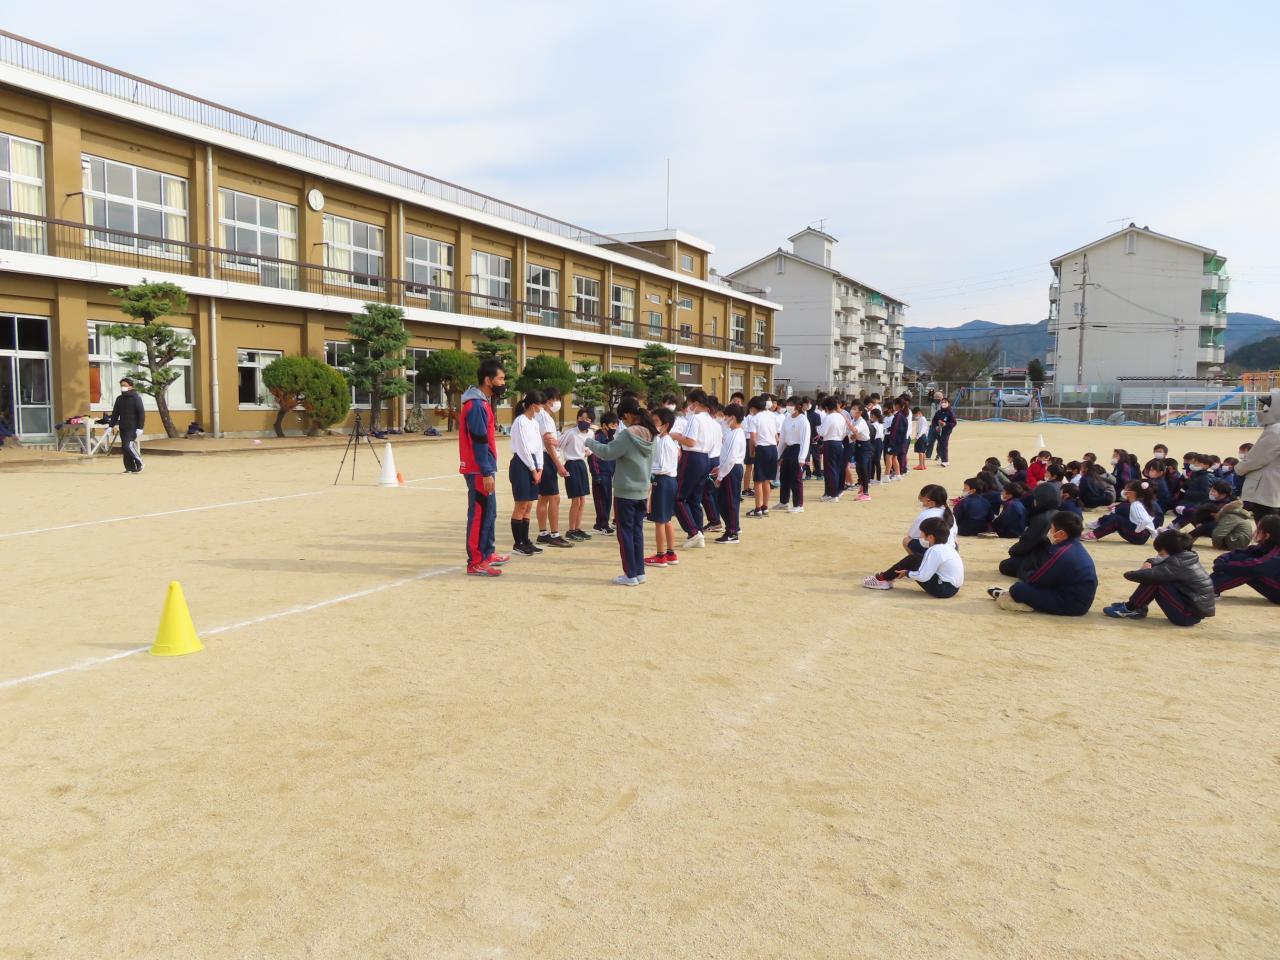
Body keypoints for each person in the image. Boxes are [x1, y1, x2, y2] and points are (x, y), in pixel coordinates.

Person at [585, 396, 655, 586]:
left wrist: (590, 442)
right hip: (642, 490)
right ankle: (639, 572)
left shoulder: (628, 434)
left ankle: (630, 574)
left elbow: (607, 453)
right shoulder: (651, 433)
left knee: (625, 534)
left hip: (626, 491)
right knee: (637, 532)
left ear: (626, 415)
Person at [988, 512, 1098, 616]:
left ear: (1061, 534)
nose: (1050, 531)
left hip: (1071, 604)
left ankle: (1010, 595)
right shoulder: (1074, 547)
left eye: (1052, 528)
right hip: (1078, 599)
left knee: (1018, 589)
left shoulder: (1061, 553)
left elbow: (1035, 580)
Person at [458, 359, 508, 577]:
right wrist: (486, 471)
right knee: (479, 514)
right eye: (500, 379)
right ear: (488, 380)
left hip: (484, 467)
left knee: (490, 512)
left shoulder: (483, 402)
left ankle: (487, 553)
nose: (503, 383)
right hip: (479, 469)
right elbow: (479, 441)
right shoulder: (476, 405)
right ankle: (476, 562)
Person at [1104, 529, 1215, 625]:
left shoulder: (1177, 563)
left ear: (1171, 550)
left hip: (1187, 616)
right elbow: (1160, 562)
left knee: (1156, 580)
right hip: (1193, 612)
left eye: (1160, 553)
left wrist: (1131, 573)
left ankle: (1131, 608)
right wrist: (1150, 562)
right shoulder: (1185, 557)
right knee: (1157, 576)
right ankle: (1136, 607)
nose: (1158, 555)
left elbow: (1153, 573)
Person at [862, 485, 956, 589]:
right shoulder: (950, 514)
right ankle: (919, 569)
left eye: (923, 500)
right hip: (949, 552)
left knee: (909, 549)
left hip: (943, 586)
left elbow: (912, 535)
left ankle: (884, 578)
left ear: (931, 502)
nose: (922, 503)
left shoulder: (926, 514)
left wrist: (909, 573)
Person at [863, 517, 964, 598]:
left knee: (913, 559)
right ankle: (885, 578)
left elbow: (923, 576)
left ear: (930, 537)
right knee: (918, 558)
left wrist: (908, 573)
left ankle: (883, 579)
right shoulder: (948, 547)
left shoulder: (934, 550)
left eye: (922, 532)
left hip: (943, 589)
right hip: (953, 588)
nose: (920, 534)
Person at [671, 390, 717, 548]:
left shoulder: (695, 418)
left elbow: (690, 442)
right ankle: (698, 533)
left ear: (696, 404)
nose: (688, 407)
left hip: (692, 457)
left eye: (690, 403)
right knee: (695, 499)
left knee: (678, 497)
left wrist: (674, 435)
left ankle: (693, 532)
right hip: (705, 458)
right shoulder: (711, 420)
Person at [508, 390, 546, 558]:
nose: (542, 408)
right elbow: (523, 447)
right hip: (521, 464)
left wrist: (540, 468)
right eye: (541, 405)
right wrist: (533, 469)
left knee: (529, 505)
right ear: (533, 405)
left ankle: (525, 540)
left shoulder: (535, 423)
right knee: (521, 505)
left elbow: (538, 447)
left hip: (533, 464)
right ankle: (518, 544)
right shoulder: (520, 421)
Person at [532, 388, 572, 549]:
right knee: (554, 498)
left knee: (544, 497)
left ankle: (543, 533)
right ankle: (554, 534)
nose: (558, 403)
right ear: (548, 401)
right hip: (546, 458)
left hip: (542, 457)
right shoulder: (544, 417)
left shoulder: (541, 416)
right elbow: (548, 442)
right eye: (556, 399)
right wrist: (558, 464)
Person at [1211, 514, 1280, 604]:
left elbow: (1254, 568)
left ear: (1267, 535)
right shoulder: (1268, 545)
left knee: (1248, 570)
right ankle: (1203, 586)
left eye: (1259, 529)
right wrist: (1222, 560)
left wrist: (1224, 566)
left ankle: (1207, 589)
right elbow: (1242, 552)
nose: (1255, 532)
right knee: (1241, 558)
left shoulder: (1277, 552)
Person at [1235, 388, 1280, 522]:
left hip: (1266, 489)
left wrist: (1239, 469)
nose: (1262, 409)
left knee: (1266, 526)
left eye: (1266, 405)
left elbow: (1257, 458)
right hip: (1274, 489)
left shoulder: (1275, 430)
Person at [999, 482, 1061, 578]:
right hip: (1056, 557)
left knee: (1006, 565)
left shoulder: (1041, 519)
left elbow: (1026, 544)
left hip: (1043, 559)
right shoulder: (1059, 514)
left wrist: (1013, 551)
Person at [645, 408, 681, 567]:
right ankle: (670, 553)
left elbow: (662, 467)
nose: (653, 425)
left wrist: (647, 470)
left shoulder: (664, 441)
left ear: (665, 425)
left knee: (660, 521)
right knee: (666, 520)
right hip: (668, 481)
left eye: (656, 422)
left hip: (663, 481)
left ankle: (660, 556)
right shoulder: (665, 440)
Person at [1084, 480, 1160, 545]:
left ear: (1133, 493)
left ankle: (1094, 534)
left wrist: (1138, 530)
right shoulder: (1142, 502)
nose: (1124, 492)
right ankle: (1096, 530)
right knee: (1117, 517)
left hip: (1139, 536)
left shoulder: (1136, 504)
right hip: (1142, 535)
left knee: (1117, 520)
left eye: (1127, 490)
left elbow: (1146, 520)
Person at [558, 410, 594, 542]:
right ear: (577, 419)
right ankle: (571, 530)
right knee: (576, 500)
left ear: (591, 421)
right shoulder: (571, 433)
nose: (584, 421)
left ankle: (578, 528)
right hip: (571, 465)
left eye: (587, 419)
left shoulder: (591, 433)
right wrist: (560, 465)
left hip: (581, 465)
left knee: (582, 500)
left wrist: (588, 452)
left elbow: (591, 448)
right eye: (581, 418)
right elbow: (558, 446)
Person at [714, 403, 747, 543]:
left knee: (729, 502)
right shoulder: (733, 433)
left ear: (732, 418)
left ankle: (732, 532)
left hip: (732, 469)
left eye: (726, 416)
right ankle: (733, 527)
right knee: (725, 501)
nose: (724, 419)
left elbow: (730, 458)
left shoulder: (736, 434)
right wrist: (719, 468)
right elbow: (726, 455)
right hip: (729, 468)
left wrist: (720, 476)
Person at [746, 395, 779, 518]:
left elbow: (753, 439)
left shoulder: (754, 418)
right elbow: (777, 437)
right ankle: (765, 507)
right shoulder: (771, 416)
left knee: (758, 480)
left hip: (762, 448)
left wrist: (751, 452)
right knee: (767, 480)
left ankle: (758, 509)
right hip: (773, 448)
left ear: (753, 408)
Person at [105, 377, 146, 474]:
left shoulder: (136, 398)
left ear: (131, 386)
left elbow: (141, 413)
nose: (122, 387)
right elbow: (115, 413)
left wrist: (140, 427)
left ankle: (140, 462)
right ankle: (130, 468)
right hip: (123, 426)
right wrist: (110, 426)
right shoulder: (119, 399)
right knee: (124, 448)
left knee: (128, 446)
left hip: (133, 427)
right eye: (121, 385)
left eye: (124, 385)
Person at [589, 412, 619, 535]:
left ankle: (600, 523)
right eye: (612, 425)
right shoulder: (597, 438)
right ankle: (603, 524)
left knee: (607, 500)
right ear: (604, 425)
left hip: (609, 474)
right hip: (600, 474)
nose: (614, 428)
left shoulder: (611, 439)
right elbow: (593, 457)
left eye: (616, 425)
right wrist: (596, 475)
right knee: (601, 500)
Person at [779, 397, 810, 514]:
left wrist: (802, 458)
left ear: (798, 406)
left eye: (791, 404)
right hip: (788, 449)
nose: (789, 406)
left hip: (798, 449)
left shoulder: (803, 420)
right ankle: (784, 502)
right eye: (788, 404)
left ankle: (798, 505)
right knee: (784, 476)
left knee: (795, 478)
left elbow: (805, 440)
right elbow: (782, 439)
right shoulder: (787, 419)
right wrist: (778, 454)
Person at [817, 397, 849, 502]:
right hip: (839, 443)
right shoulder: (841, 417)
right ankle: (836, 492)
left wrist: (818, 429)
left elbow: (823, 432)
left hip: (830, 443)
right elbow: (845, 432)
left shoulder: (829, 417)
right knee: (837, 468)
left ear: (826, 407)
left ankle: (832, 494)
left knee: (830, 469)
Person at [930, 397, 956, 467]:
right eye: (942, 402)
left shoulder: (950, 412)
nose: (943, 403)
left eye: (945, 402)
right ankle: (941, 459)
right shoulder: (938, 412)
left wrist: (946, 424)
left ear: (948, 403)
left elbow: (954, 423)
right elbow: (934, 421)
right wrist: (936, 426)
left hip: (946, 431)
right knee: (940, 444)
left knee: (944, 444)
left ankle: (945, 461)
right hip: (938, 430)